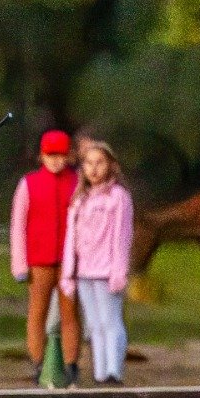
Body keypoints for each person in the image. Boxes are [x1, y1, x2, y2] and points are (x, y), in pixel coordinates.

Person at [10, 130, 81, 385]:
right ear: (41, 156)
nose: (55, 160)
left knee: (70, 312)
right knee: (37, 311)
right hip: (38, 258)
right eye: (51, 155)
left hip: (69, 259)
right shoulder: (28, 183)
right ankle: (39, 362)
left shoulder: (77, 182)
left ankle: (72, 364)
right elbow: (18, 225)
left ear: (69, 156)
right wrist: (19, 263)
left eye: (61, 155)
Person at [60, 142, 134, 384]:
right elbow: (71, 238)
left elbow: (122, 236)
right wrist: (68, 273)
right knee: (94, 325)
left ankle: (114, 371)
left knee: (110, 321)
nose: (93, 169)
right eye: (88, 163)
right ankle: (100, 373)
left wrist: (118, 271)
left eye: (99, 163)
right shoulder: (80, 199)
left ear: (111, 166)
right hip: (84, 272)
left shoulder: (118, 197)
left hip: (107, 270)